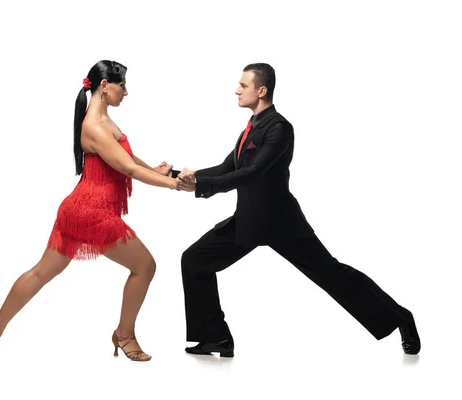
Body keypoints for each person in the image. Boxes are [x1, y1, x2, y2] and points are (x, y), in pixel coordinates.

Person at [175, 63, 421, 357]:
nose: (237, 90)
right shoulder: (250, 128)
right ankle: (216, 338)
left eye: (243, 85)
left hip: (281, 223)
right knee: (194, 260)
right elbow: (226, 168)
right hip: (249, 221)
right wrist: (178, 176)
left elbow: (253, 172)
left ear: (261, 90)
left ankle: (401, 317)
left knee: (332, 275)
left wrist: (201, 186)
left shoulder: (279, 128)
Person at [0, 60, 179, 362]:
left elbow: (128, 157)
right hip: (92, 211)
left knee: (41, 272)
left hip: (76, 208)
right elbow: (127, 168)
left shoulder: (102, 120)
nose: (127, 92)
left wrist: (159, 171)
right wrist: (170, 185)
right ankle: (124, 334)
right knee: (145, 267)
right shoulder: (93, 126)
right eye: (123, 85)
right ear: (105, 86)